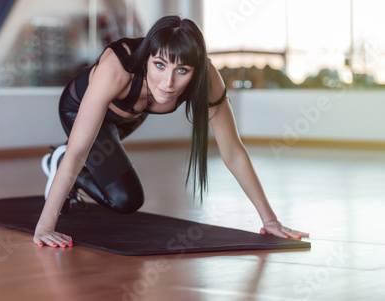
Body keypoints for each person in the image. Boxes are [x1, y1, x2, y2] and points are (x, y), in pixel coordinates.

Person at [33, 16, 309, 248]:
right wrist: (45, 226)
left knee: (122, 190)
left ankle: (61, 161)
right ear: (147, 59)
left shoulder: (207, 78)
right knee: (126, 199)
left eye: (182, 70)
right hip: (78, 109)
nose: (168, 82)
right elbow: (79, 152)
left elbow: (233, 152)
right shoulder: (116, 69)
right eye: (160, 65)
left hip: (129, 118)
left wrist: (269, 220)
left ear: (195, 69)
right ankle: (56, 159)